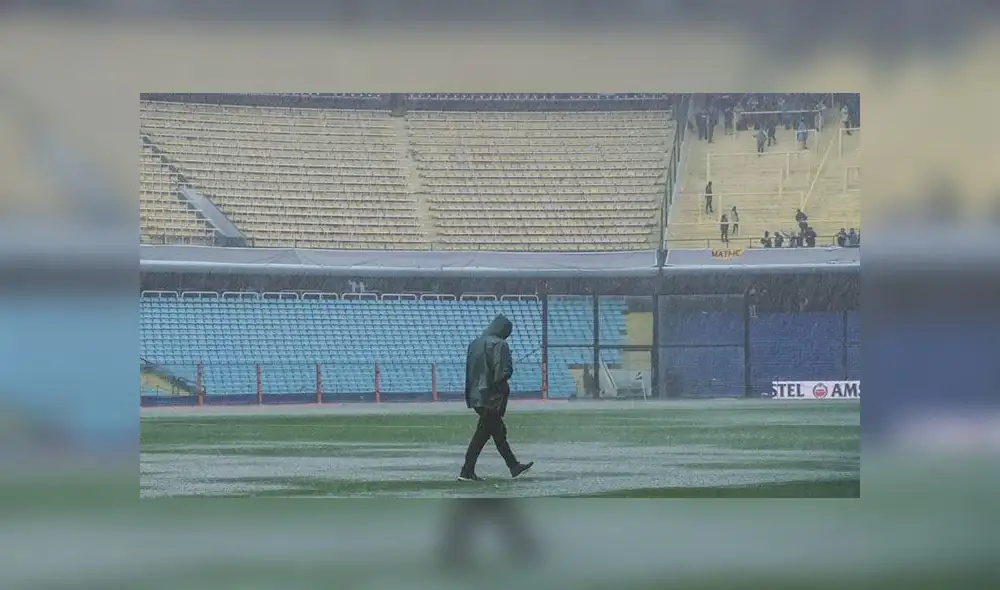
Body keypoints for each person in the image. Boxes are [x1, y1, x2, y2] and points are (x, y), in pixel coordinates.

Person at [460, 314, 533, 482]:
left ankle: (471, 470)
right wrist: (501, 387)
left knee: (489, 432)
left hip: (476, 395)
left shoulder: (474, 343)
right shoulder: (500, 344)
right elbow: (502, 372)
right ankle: (469, 471)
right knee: (491, 433)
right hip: (492, 396)